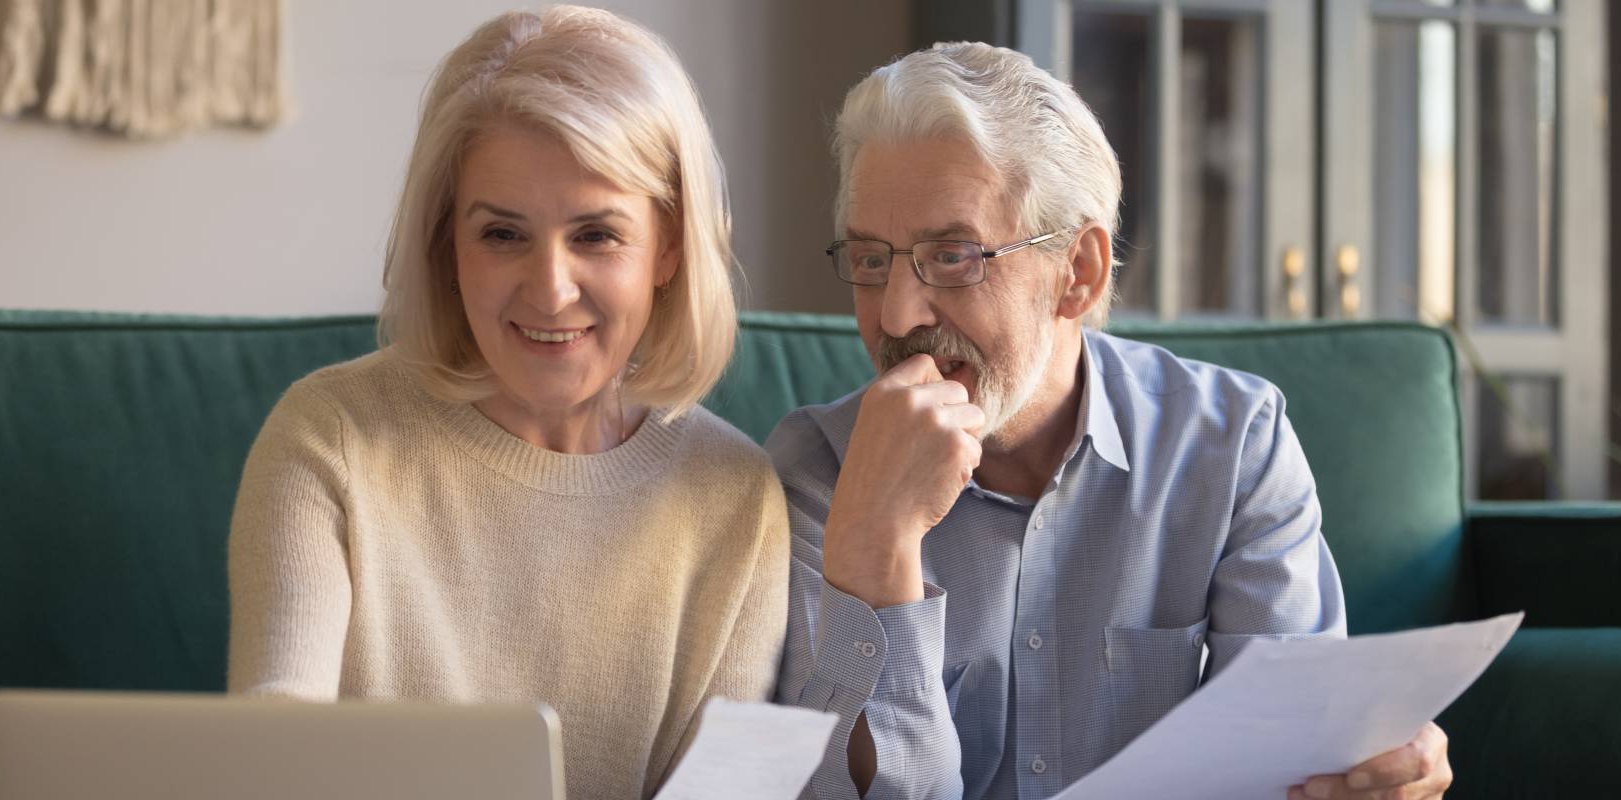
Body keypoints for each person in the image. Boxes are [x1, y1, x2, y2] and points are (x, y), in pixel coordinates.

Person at [770, 42, 1453, 800]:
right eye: (871, 259)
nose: (896, 313)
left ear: (1079, 272)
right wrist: (877, 546)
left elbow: (1290, 771)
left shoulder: (1233, 448)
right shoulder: (817, 471)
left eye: (955, 256)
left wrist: (1366, 774)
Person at [226, 9, 787, 799]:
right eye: (502, 235)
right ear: (444, 246)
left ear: (668, 247)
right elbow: (272, 754)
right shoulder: (328, 440)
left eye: (596, 235)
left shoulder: (739, 499)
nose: (550, 290)